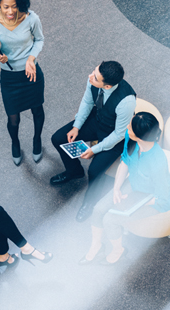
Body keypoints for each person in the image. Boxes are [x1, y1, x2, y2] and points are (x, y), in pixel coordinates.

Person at [80, 112, 170, 265]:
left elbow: (162, 197)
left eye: (130, 127)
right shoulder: (132, 141)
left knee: (110, 220)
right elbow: (125, 162)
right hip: (134, 184)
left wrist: (133, 201)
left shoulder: (157, 162)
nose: (127, 127)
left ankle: (119, 250)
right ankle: (96, 245)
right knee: (98, 209)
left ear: (140, 136)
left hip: (152, 198)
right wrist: (117, 188)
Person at [51, 61, 136, 222]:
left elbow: (119, 134)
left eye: (95, 77)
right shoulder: (93, 80)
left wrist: (94, 150)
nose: (90, 76)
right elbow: (87, 103)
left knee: (95, 171)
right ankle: (74, 171)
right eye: (93, 72)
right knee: (58, 138)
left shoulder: (126, 101)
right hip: (97, 120)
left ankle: (90, 203)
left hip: (113, 134)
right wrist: (76, 126)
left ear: (107, 86)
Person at [0, 0, 45, 166]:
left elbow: (39, 40)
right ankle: (15, 143)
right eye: (5, 7)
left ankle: (37, 140)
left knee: (37, 109)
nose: (10, 11)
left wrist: (31, 59)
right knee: (13, 118)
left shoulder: (31, 18)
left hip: (31, 72)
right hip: (9, 76)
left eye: (14, 5)